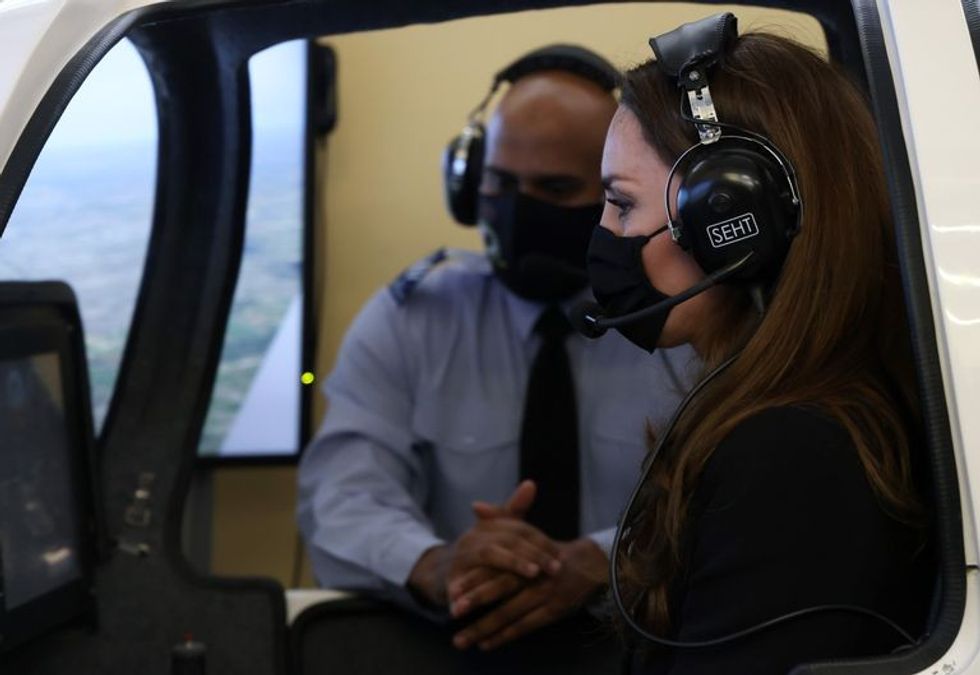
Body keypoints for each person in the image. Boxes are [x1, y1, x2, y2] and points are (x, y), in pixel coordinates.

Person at [296, 44, 694, 658]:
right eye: (500, 183)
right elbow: (341, 496)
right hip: (456, 643)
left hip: (649, 648)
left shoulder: (685, 324)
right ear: (467, 183)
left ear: (613, 198)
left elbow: (731, 508)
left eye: (556, 188)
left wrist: (599, 560)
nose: (517, 210)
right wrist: (436, 563)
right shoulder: (411, 318)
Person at [586, 14, 932, 674]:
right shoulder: (794, 410)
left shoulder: (792, 453)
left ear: (732, 223)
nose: (601, 233)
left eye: (621, 203)